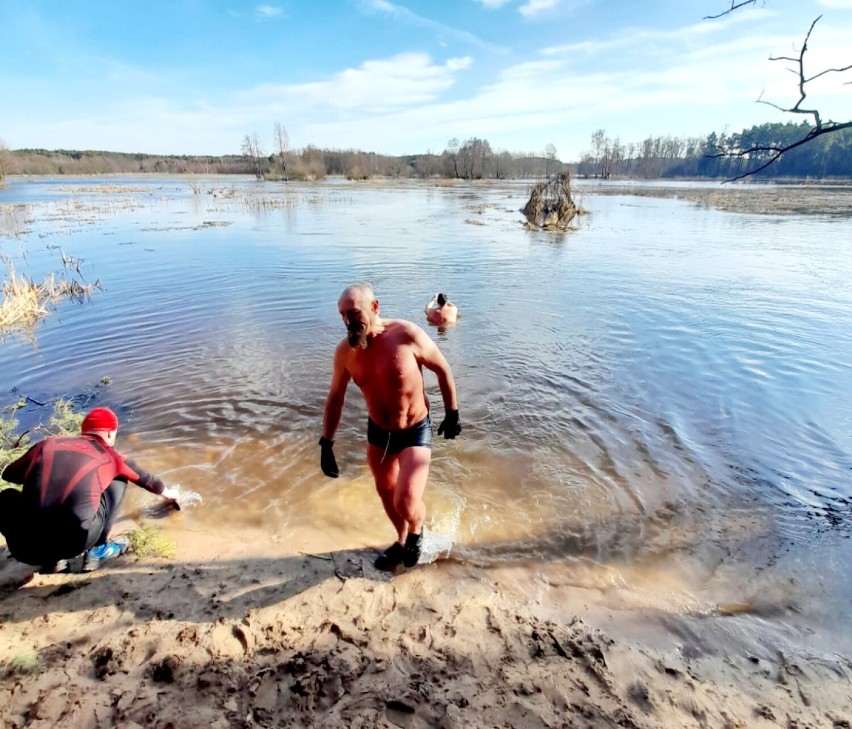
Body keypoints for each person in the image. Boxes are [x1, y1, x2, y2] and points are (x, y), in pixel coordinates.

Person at [320, 284, 462, 571]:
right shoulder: (345, 354)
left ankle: (416, 529)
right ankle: (400, 541)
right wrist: (326, 443)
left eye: (354, 312)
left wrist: (452, 413)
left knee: (407, 500)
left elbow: (443, 369)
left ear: (374, 307)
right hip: (379, 432)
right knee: (386, 493)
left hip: (414, 429)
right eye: (343, 315)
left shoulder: (406, 335)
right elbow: (336, 398)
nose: (348, 320)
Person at [0, 407, 180, 573]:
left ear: (83, 430)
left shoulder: (47, 444)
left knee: (6, 496)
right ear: (110, 433)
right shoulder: (112, 456)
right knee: (118, 479)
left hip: (25, 549)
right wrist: (171, 495)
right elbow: (148, 480)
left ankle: (54, 562)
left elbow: (9, 475)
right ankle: (98, 550)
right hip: (74, 543)